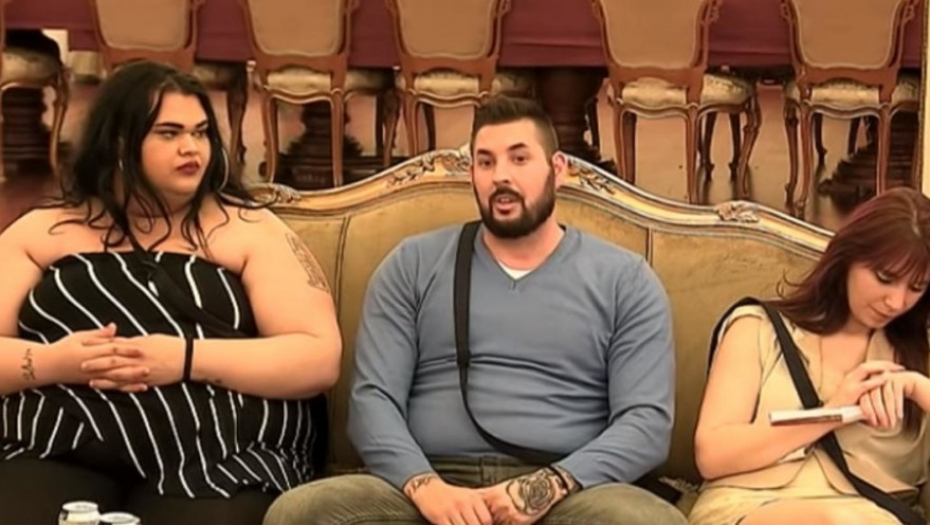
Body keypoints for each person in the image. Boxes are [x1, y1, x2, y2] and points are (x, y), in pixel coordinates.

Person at [264, 96, 686, 525]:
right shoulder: (413, 264)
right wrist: (425, 487)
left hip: (567, 492)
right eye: (485, 162)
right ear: (472, 174)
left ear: (557, 169)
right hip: (428, 488)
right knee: (300, 514)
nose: (500, 175)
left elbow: (646, 423)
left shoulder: (625, 279)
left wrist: (543, 488)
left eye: (519, 158)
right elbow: (373, 399)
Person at [0, 61, 341, 525]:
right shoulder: (44, 230)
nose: (191, 148)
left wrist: (183, 359)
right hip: (61, 441)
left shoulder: (249, 230)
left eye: (201, 132)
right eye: (169, 133)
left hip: (219, 454)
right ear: (118, 142)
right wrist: (56, 361)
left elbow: (317, 357)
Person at [690, 187, 930, 525]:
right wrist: (832, 412)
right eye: (884, 278)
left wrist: (917, 387)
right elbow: (712, 455)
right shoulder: (757, 328)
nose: (896, 301)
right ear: (847, 259)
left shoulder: (918, 355)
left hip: (871, 512)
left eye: (916, 288)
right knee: (836, 521)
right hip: (751, 506)